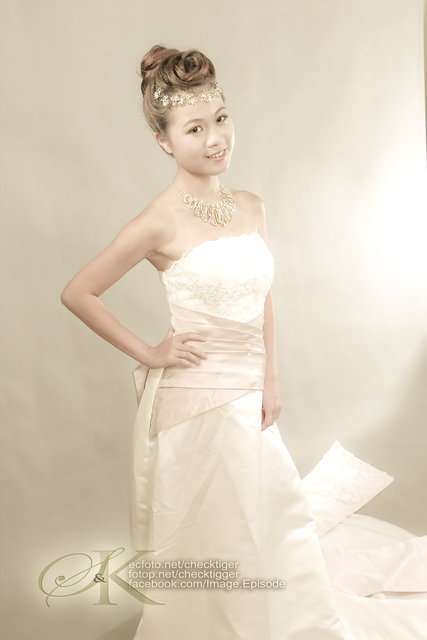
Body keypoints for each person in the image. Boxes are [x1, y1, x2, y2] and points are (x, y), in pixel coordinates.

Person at [61, 45, 427, 640]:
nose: (215, 139)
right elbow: (79, 292)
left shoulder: (252, 207)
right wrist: (151, 353)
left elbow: (263, 296)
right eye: (194, 128)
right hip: (193, 401)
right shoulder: (157, 221)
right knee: (207, 525)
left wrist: (270, 379)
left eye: (221, 119)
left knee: (264, 517)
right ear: (163, 141)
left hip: (247, 390)